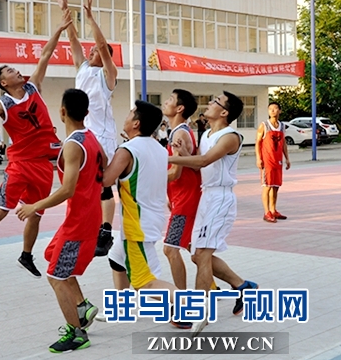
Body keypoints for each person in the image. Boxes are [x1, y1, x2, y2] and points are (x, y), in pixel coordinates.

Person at [0, 10, 71, 277]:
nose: (17, 71)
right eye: (10, 70)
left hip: (43, 164)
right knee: (1, 210)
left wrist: (59, 29)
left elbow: (45, 55)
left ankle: (26, 255)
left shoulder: (34, 87)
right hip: (20, 165)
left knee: (36, 213)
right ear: (4, 82)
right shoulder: (4, 103)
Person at [16, 89, 105, 353]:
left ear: (62, 111)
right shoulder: (91, 138)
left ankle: (76, 334)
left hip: (80, 222)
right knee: (51, 254)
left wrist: (35, 206)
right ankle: (82, 307)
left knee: (55, 276)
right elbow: (105, 167)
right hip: (86, 216)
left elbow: (67, 189)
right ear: (86, 113)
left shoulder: (73, 145)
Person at [169, 91, 258, 336]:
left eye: (215, 101)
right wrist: (183, 155)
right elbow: (198, 162)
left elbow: (204, 161)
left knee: (202, 255)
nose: (209, 103)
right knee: (197, 256)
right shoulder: (206, 133)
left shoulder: (230, 137)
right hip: (206, 196)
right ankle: (243, 286)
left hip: (220, 198)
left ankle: (198, 311)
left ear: (224, 112)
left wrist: (163, 159)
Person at [102, 100, 191, 330]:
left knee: (143, 283)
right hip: (150, 219)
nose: (126, 116)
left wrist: (99, 155)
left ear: (136, 123)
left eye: (130, 113)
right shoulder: (159, 149)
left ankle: (188, 306)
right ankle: (121, 307)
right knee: (116, 258)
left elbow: (105, 180)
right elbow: (166, 176)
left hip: (137, 225)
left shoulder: (128, 150)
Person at [58, 0, 118, 258]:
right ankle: (88, 228)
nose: (92, 50)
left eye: (95, 50)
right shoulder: (82, 68)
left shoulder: (108, 75)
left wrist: (91, 18)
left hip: (102, 136)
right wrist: (65, 10)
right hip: (82, 134)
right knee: (84, 186)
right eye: (90, 49)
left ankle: (106, 231)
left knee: (103, 184)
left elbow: (103, 46)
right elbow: (72, 39)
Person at [162, 90, 201, 290]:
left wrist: (148, 178)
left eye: (170, 99)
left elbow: (175, 172)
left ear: (179, 108)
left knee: (170, 249)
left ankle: (182, 298)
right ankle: (217, 284)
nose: (165, 101)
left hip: (185, 198)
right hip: (182, 196)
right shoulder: (179, 131)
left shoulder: (179, 133)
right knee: (194, 249)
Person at [255, 102, 291, 223]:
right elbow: (258, 142)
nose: (272, 110)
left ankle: (273, 210)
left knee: (276, 186)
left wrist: (287, 158)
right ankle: (267, 212)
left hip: (278, 160)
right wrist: (258, 158)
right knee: (267, 186)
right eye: (270, 109)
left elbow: (283, 143)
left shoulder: (282, 126)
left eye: (275, 108)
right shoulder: (264, 125)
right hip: (267, 160)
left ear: (280, 110)